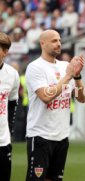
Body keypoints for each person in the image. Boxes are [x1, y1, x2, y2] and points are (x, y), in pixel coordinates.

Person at [25, 29, 85, 181]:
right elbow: (46, 96)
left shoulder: (65, 66)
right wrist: (68, 76)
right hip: (40, 136)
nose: (58, 44)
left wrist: (77, 76)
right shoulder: (35, 67)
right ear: (42, 43)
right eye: (54, 41)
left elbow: (81, 98)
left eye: (59, 40)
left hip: (62, 137)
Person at [0, 32, 20, 181]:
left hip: (3, 141)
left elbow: (13, 103)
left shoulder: (12, 74)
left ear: (5, 52)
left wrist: (9, 129)